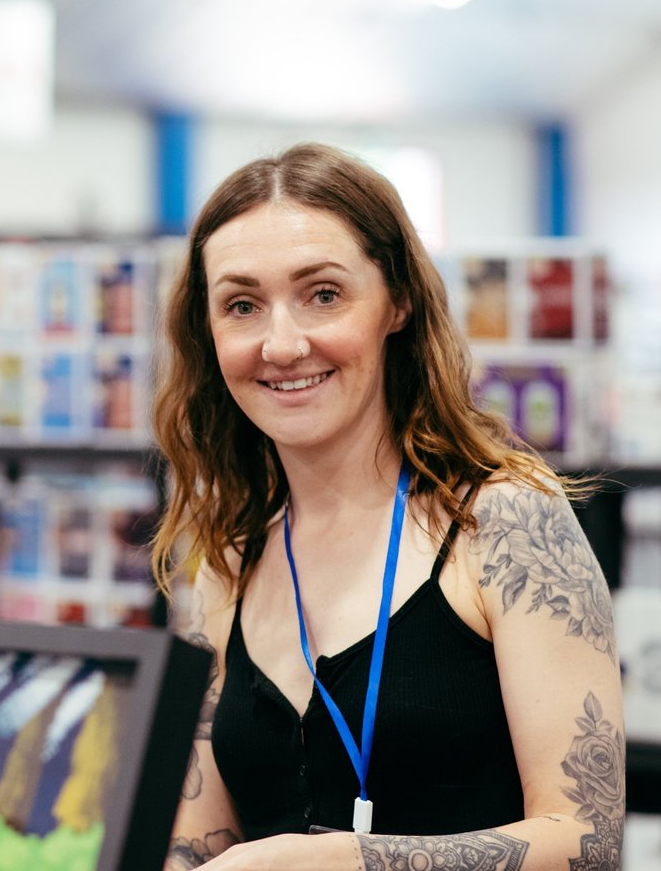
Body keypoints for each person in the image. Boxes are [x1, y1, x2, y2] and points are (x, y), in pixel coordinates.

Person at [151, 144, 623, 870]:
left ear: (397, 301)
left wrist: (340, 861)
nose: (282, 343)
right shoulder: (227, 559)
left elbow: (589, 843)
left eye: (324, 294)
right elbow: (199, 838)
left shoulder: (505, 523)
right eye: (241, 305)